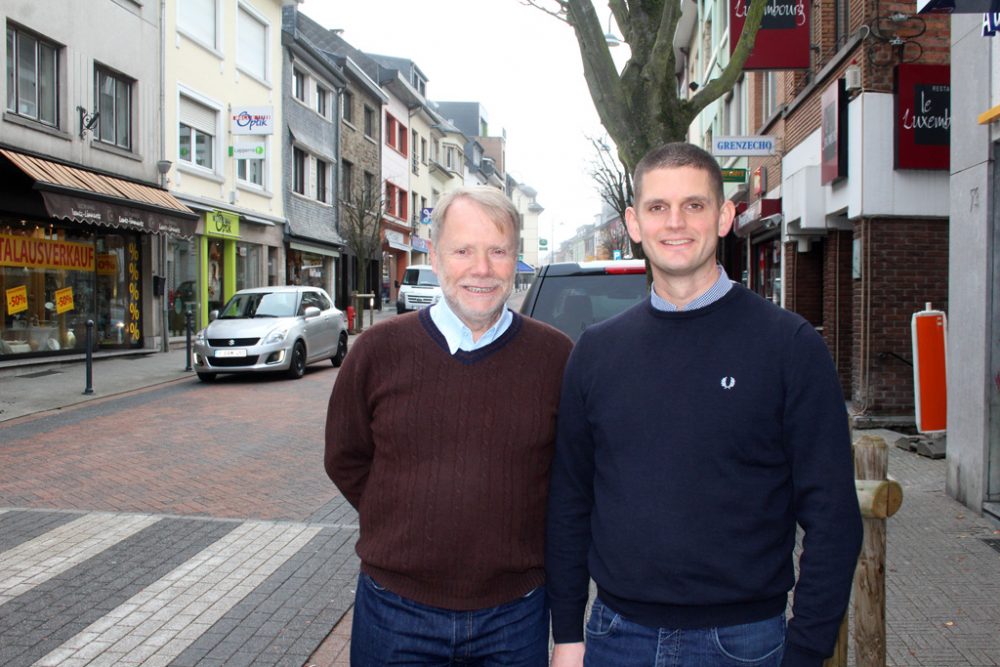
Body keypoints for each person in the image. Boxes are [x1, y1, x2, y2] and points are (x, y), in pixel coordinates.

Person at [546, 142, 863, 667]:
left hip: (746, 642)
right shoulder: (596, 352)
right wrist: (567, 634)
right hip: (616, 637)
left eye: (694, 205)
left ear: (724, 217)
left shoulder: (788, 346)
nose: (675, 222)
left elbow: (832, 516)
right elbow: (570, 503)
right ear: (633, 222)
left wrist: (806, 651)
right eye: (657, 207)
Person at [325, 185, 573, 665]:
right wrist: (403, 519)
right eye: (463, 250)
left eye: (497, 251)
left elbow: (567, 483)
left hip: (514, 618)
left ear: (515, 260)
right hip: (395, 612)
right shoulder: (378, 351)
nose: (481, 269)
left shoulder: (555, 357)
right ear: (435, 258)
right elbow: (345, 457)